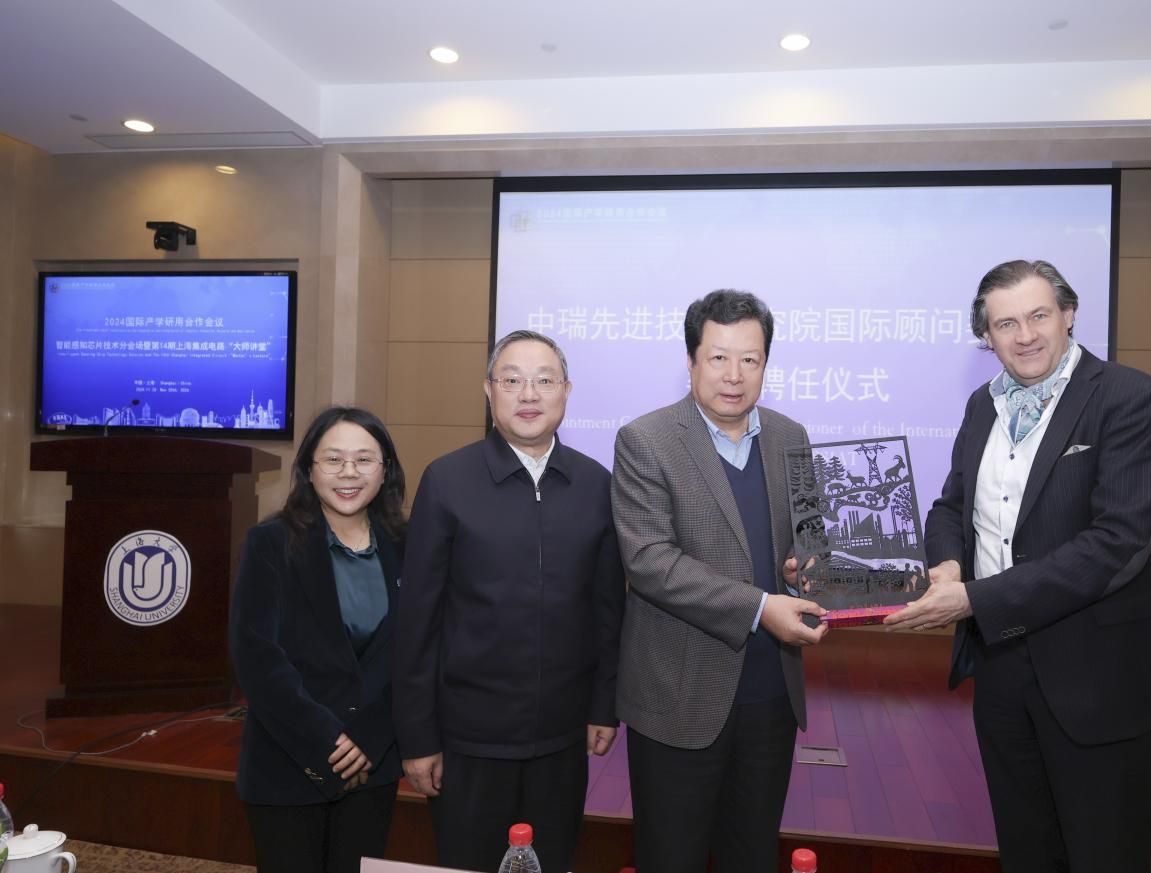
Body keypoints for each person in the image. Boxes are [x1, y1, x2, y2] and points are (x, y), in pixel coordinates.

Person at [885, 260, 1151, 872]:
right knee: (1026, 849)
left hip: (1094, 674)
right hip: (1000, 664)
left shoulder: (1129, 397)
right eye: (1005, 324)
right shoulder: (982, 406)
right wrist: (948, 567)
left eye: (1039, 316)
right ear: (986, 336)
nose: (1025, 335)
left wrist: (975, 600)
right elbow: (951, 506)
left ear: (1069, 314)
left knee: (1104, 854)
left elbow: (1117, 543)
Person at [612, 289, 828, 873]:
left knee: (751, 854)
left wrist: (806, 569)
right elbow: (650, 561)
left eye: (750, 360)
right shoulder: (646, 440)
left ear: (765, 363)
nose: (734, 375)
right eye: (718, 358)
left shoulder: (790, 436)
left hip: (770, 695)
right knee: (670, 857)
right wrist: (761, 606)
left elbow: (810, 539)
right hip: (678, 696)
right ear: (690, 361)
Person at [393, 330, 624, 873]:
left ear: (566, 391)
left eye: (544, 380)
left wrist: (603, 706)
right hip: (468, 738)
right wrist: (418, 737)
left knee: (553, 861)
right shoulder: (447, 481)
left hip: (563, 736)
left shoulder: (595, 484)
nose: (529, 394)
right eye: (512, 380)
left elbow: (607, 610)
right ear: (488, 390)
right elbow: (417, 621)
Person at [230, 406, 408, 873]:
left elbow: (417, 653)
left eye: (364, 459)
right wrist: (326, 739)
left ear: (385, 469)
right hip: (288, 761)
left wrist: (370, 736)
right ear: (309, 469)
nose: (349, 472)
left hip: (372, 762)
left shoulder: (409, 545)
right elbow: (257, 657)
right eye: (333, 459)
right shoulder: (270, 543)